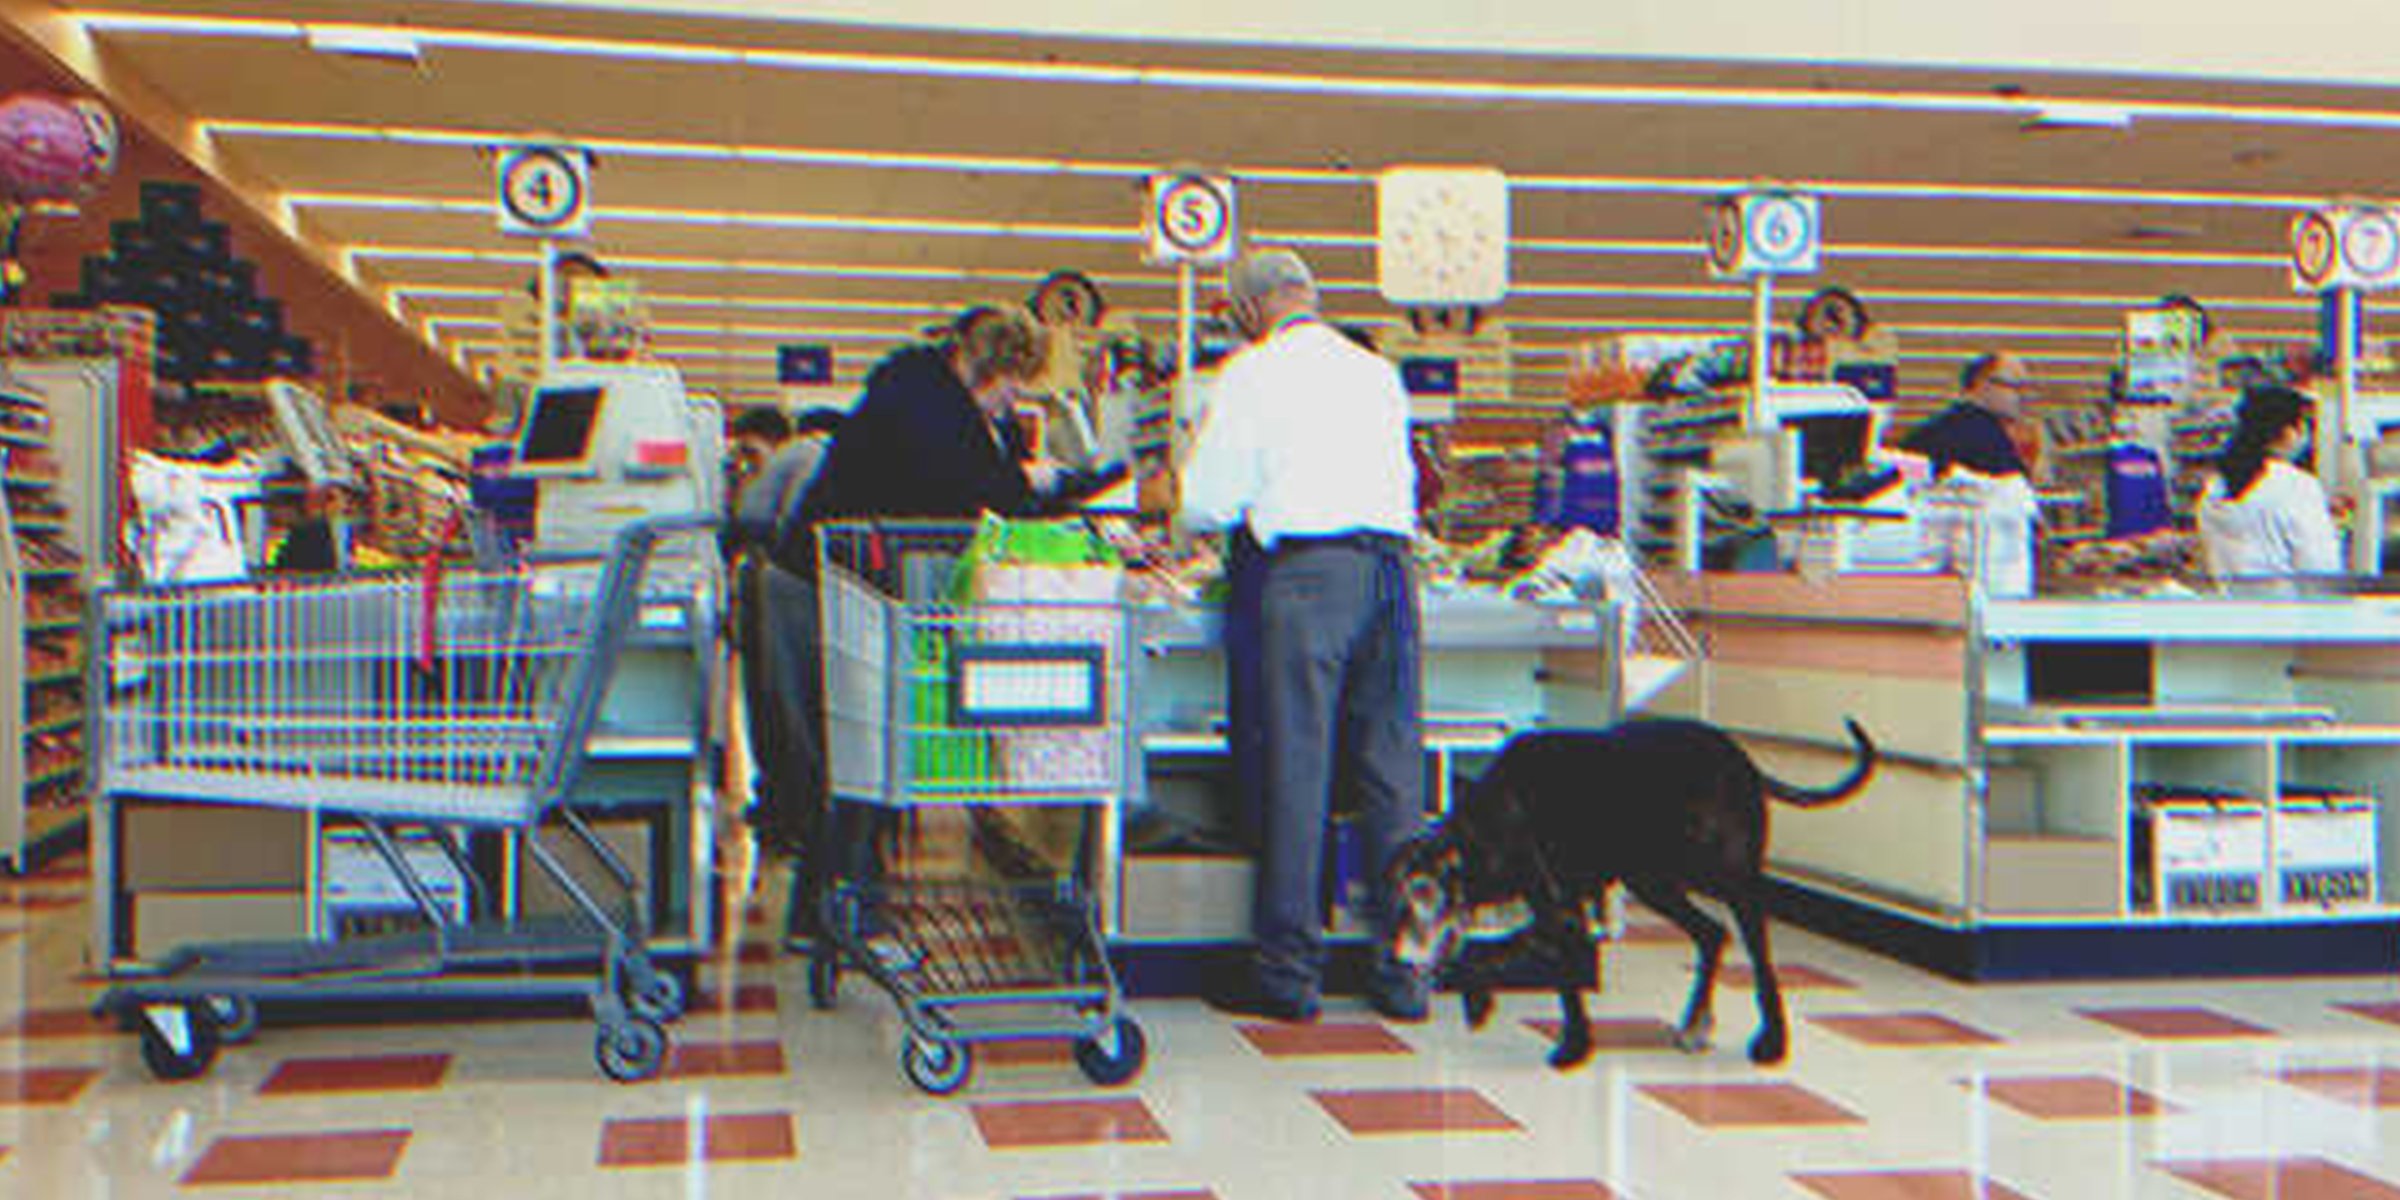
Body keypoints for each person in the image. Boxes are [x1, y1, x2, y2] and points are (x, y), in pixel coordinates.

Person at [1180, 248, 1428, 1024]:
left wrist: (1183, 501)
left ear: (1248, 309)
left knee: (1298, 766)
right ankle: (1405, 971)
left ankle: (1289, 972)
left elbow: (1211, 502)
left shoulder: (1251, 374)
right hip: (1392, 572)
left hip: (1309, 576)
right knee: (1394, 772)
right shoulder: (1374, 370)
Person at [779, 304, 1056, 947]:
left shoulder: (929, 394)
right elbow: (965, 486)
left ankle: (840, 906)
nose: (1015, 400)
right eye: (1014, 383)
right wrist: (1026, 478)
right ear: (990, 365)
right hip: (831, 587)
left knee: (861, 752)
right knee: (855, 753)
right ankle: (834, 908)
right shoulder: (921, 398)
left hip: (853, 586)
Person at [2198, 385, 2341, 585]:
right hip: (2287, 610)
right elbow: (2321, 567)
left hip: (2231, 608)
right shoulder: (2296, 486)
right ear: (2288, 432)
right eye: (2306, 425)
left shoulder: (2216, 486)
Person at [1903, 352, 2035, 480]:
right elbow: (2015, 489)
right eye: (2014, 386)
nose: (2023, 396)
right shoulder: (1987, 436)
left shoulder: (1933, 428)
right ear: (1980, 384)